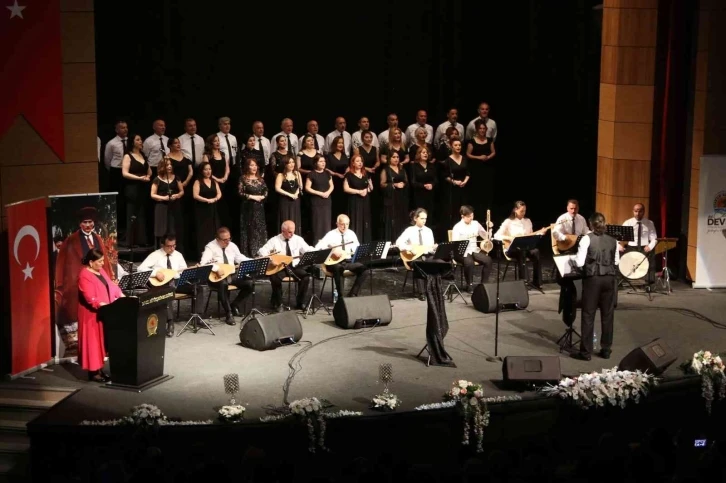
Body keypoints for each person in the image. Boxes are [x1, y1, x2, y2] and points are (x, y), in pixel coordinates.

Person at [55, 207, 112, 353]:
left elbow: (104, 259)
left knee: (98, 311)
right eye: (85, 222)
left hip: (98, 281)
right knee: (82, 313)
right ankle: (81, 345)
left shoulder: (97, 238)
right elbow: (61, 262)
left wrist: (110, 278)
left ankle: (100, 343)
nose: (88, 225)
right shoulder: (71, 240)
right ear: (80, 224)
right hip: (78, 282)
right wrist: (60, 284)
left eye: (90, 222)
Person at [570, 212, 619, 361]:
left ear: (591, 224)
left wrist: (572, 260)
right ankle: (606, 350)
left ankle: (586, 353)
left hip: (593, 279)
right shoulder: (613, 240)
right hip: (609, 279)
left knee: (588, 315)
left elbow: (580, 262)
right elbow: (616, 262)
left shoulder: (587, 239)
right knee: (607, 315)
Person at [138, 235, 208, 337]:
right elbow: (140, 268)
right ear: (162, 245)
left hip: (177, 282)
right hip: (164, 284)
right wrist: (155, 273)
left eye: (174, 246)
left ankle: (197, 317)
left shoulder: (178, 255)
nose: (172, 248)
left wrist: (193, 269)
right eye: (169, 246)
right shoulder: (155, 255)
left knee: (198, 288)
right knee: (168, 293)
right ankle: (170, 322)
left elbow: (183, 270)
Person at [77, 249, 124, 382]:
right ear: (91, 262)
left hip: (104, 312)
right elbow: (89, 297)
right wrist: (102, 305)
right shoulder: (84, 275)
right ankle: (93, 373)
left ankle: (99, 369)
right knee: (93, 342)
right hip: (91, 316)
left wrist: (121, 295)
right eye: (100, 261)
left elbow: (111, 286)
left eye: (103, 260)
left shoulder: (100, 271)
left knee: (101, 342)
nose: (102, 263)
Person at [199, 227, 254, 325]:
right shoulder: (210, 247)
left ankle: (235, 305)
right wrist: (216, 268)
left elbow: (239, 258)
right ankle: (229, 313)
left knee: (250, 284)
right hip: (217, 277)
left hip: (231, 274)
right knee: (223, 285)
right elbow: (203, 263)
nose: (228, 242)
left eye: (229, 239)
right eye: (224, 240)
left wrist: (253, 261)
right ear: (217, 239)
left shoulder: (232, 245)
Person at [258, 221, 313, 311]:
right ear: (283, 231)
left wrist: (315, 251)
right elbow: (262, 251)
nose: (292, 234)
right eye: (290, 232)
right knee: (274, 278)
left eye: (293, 231)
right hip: (281, 267)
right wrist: (271, 260)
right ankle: (278, 303)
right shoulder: (275, 240)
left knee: (306, 277)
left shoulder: (298, 239)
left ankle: (300, 303)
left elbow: (307, 250)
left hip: (294, 266)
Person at [493, 201, 546, 289]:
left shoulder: (528, 221)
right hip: (512, 249)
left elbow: (530, 235)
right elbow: (496, 235)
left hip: (525, 248)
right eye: (521, 211)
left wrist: (539, 233)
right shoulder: (508, 222)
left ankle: (537, 282)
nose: (523, 213)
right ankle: (524, 282)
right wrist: (511, 238)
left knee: (536, 251)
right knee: (521, 252)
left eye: (524, 211)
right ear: (515, 210)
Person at [316, 215, 368, 298]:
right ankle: (341, 297)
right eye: (342, 224)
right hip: (334, 263)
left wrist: (356, 251)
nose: (345, 227)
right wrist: (332, 250)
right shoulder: (331, 234)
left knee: (364, 270)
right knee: (339, 268)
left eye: (347, 224)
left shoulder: (351, 234)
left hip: (347, 261)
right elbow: (318, 246)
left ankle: (353, 294)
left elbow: (357, 248)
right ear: (337, 224)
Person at [396, 208, 441, 301]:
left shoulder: (428, 231)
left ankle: (435, 290)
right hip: (414, 257)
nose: (424, 221)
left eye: (425, 219)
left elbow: (429, 248)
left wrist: (434, 248)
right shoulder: (409, 230)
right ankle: (422, 292)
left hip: (427, 255)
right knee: (419, 264)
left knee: (439, 262)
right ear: (415, 218)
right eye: (422, 218)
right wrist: (410, 248)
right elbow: (399, 242)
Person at [452, 205, 493, 291]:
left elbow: (486, 237)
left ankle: (483, 284)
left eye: (472, 215)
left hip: (474, 250)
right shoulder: (457, 227)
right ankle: (469, 285)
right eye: (469, 216)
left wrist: (489, 228)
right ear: (462, 216)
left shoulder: (475, 224)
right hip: (462, 252)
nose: (471, 218)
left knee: (488, 260)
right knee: (469, 262)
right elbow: (454, 244)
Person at [121, 134, 152, 246]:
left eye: (141, 139)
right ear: (132, 142)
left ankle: (141, 240)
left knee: (141, 213)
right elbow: (125, 173)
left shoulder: (143, 155)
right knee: (132, 213)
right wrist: (139, 178)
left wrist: (148, 176)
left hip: (143, 187)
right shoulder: (128, 156)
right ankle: (130, 241)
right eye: (138, 140)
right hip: (132, 188)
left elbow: (149, 171)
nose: (140, 141)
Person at [620, 203, 657, 286]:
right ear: (633, 211)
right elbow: (619, 237)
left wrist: (650, 246)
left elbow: (654, 238)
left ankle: (649, 282)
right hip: (631, 247)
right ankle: (622, 280)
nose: (637, 213)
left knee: (651, 255)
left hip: (644, 247)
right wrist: (620, 246)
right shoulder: (628, 222)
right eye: (636, 211)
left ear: (643, 212)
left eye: (640, 211)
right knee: (621, 255)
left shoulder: (649, 223)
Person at [150, 157, 184, 248]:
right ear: (162, 167)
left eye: (170, 165)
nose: (169, 166)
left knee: (173, 229)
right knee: (162, 230)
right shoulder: (157, 179)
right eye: (167, 165)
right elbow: (152, 194)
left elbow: (182, 191)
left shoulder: (176, 178)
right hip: (162, 207)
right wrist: (163, 198)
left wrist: (177, 195)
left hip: (174, 206)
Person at [192, 161, 222, 258]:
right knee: (204, 232)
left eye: (209, 169)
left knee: (214, 230)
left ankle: (215, 254)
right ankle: (203, 255)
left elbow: (219, 193)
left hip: (213, 209)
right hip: (202, 210)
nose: (208, 171)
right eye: (205, 169)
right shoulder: (198, 182)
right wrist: (207, 200)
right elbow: (195, 195)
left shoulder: (214, 181)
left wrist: (215, 198)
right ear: (202, 171)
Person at [305, 155, 334, 243]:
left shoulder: (327, 173)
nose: (323, 163)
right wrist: (320, 193)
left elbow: (332, 185)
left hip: (326, 201)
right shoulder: (311, 174)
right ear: (315, 163)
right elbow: (307, 188)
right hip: (316, 201)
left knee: (326, 222)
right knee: (317, 223)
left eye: (324, 161)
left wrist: (328, 192)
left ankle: (327, 242)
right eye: (321, 161)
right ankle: (317, 243)